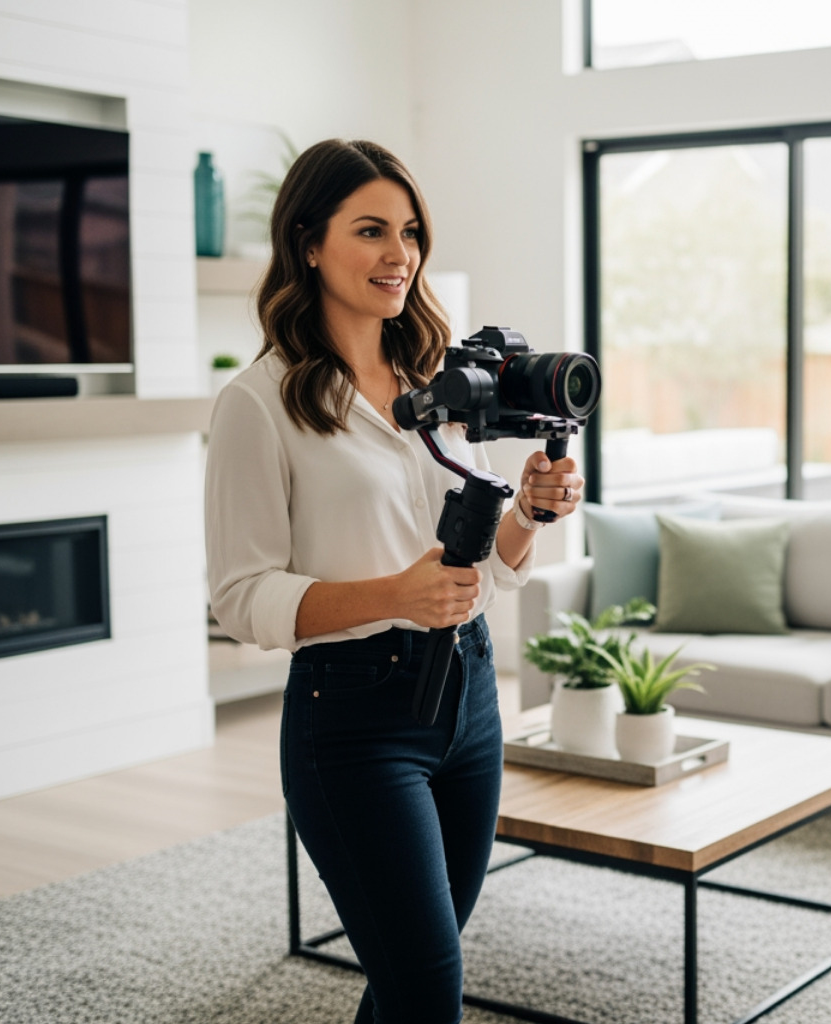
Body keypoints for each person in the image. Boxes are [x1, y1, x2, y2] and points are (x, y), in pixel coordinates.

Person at [204, 138, 583, 1024]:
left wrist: (528, 513)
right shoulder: (259, 403)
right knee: (427, 989)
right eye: (371, 230)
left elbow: (479, 571)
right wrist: (391, 595)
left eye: (410, 232)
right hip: (355, 719)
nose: (400, 254)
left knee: (410, 979)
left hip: (471, 698)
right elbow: (239, 597)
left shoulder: (441, 380)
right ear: (308, 243)